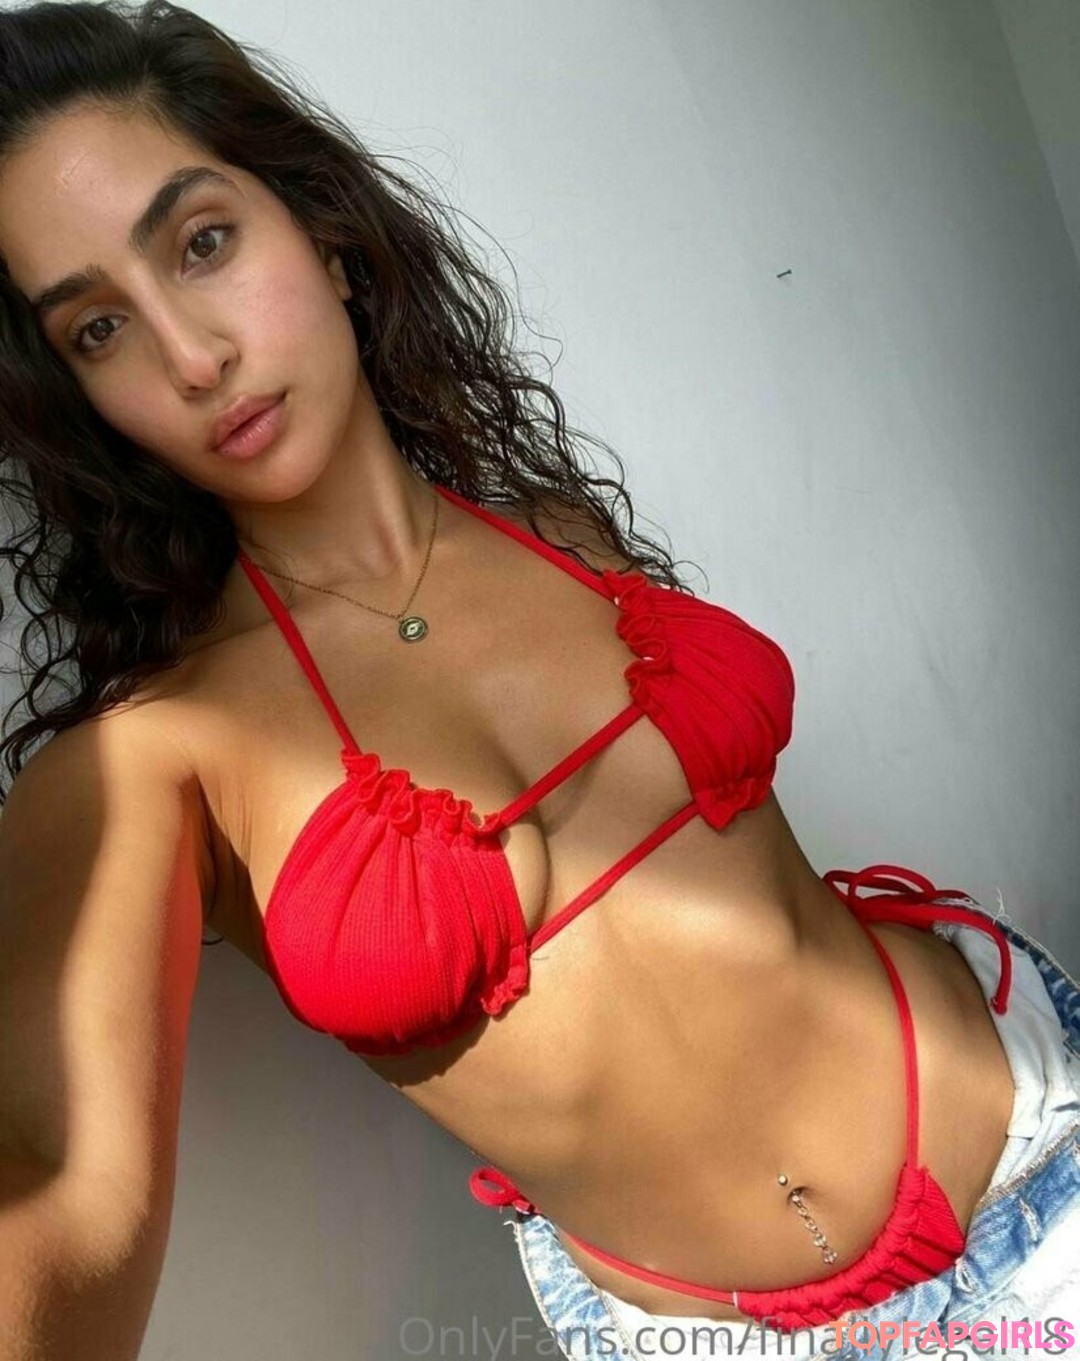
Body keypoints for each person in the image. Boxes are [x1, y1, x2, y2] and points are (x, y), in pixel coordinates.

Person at [0, 3, 1076, 1359]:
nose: (193, 356)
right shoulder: (150, 761)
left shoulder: (560, 536)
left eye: (203, 243)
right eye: (99, 329)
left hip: (1033, 1124)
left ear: (322, 232)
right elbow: (67, 1197)